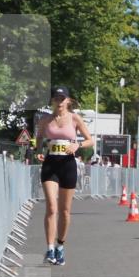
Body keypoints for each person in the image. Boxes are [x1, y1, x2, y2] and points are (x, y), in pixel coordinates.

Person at [35, 86, 94, 266]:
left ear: (68, 101)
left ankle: (60, 246)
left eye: (62, 98)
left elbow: (91, 140)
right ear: (52, 100)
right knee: (52, 207)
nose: (59, 101)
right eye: (56, 98)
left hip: (68, 165)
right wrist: (38, 150)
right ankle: (50, 248)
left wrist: (78, 145)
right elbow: (38, 138)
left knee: (65, 211)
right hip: (50, 164)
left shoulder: (75, 118)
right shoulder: (45, 119)